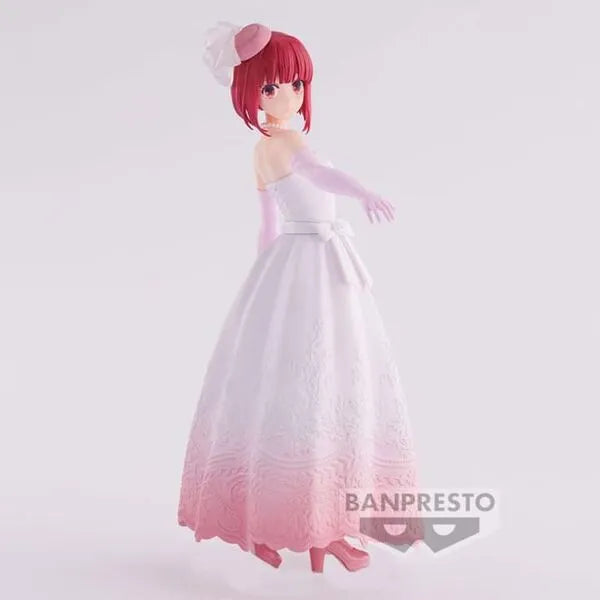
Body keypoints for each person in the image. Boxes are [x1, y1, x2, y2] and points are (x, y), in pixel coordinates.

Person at [177, 21, 421, 573]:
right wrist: (362, 192)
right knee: (322, 378)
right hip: (309, 261)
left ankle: (309, 526)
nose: (287, 96)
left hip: (297, 262)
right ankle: (311, 526)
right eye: (271, 87)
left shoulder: (263, 150)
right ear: (250, 94)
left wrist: (263, 284)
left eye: (295, 84)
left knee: (304, 383)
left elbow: (267, 225)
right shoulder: (287, 145)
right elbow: (317, 180)